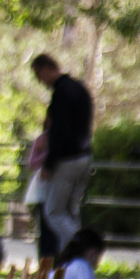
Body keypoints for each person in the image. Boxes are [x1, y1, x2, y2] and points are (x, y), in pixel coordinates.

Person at [32, 53, 95, 256]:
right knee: (70, 211)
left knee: (54, 211)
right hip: (84, 156)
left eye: (39, 76)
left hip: (67, 160)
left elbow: (60, 132)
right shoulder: (79, 89)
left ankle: (81, 248)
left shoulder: (61, 93)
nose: (42, 82)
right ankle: (69, 260)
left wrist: (48, 165)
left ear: (45, 70)